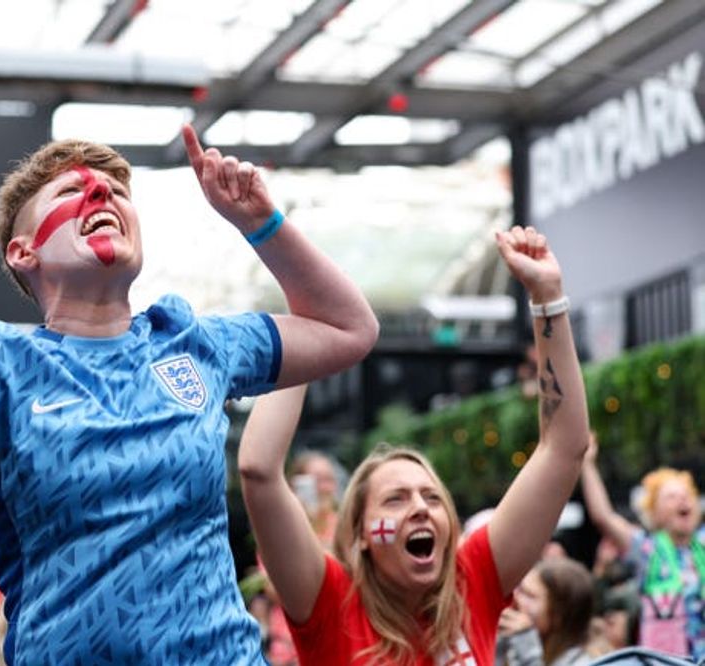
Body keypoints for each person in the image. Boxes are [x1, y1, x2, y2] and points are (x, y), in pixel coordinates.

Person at [0, 62, 378, 664]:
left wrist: (262, 225)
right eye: (69, 193)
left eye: (116, 192)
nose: (102, 194)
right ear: (23, 252)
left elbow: (348, 328)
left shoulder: (192, 342)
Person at [239, 226, 589, 665]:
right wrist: (307, 336)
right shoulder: (330, 602)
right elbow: (259, 470)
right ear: (361, 536)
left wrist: (547, 298)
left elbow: (564, 448)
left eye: (432, 497)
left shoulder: (474, 581)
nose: (421, 508)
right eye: (396, 499)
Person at [580, 433, 704, 659]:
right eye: (671, 497)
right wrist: (587, 464)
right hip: (666, 662)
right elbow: (603, 517)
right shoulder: (646, 550)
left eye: (687, 495)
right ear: (654, 512)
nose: (683, 500)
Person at [498, 558, 598, 665]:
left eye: (529, 595)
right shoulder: (514, 644)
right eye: (519, 589)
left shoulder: (582, 662)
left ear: (558, 616)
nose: (515, 599)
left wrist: (526, 643)